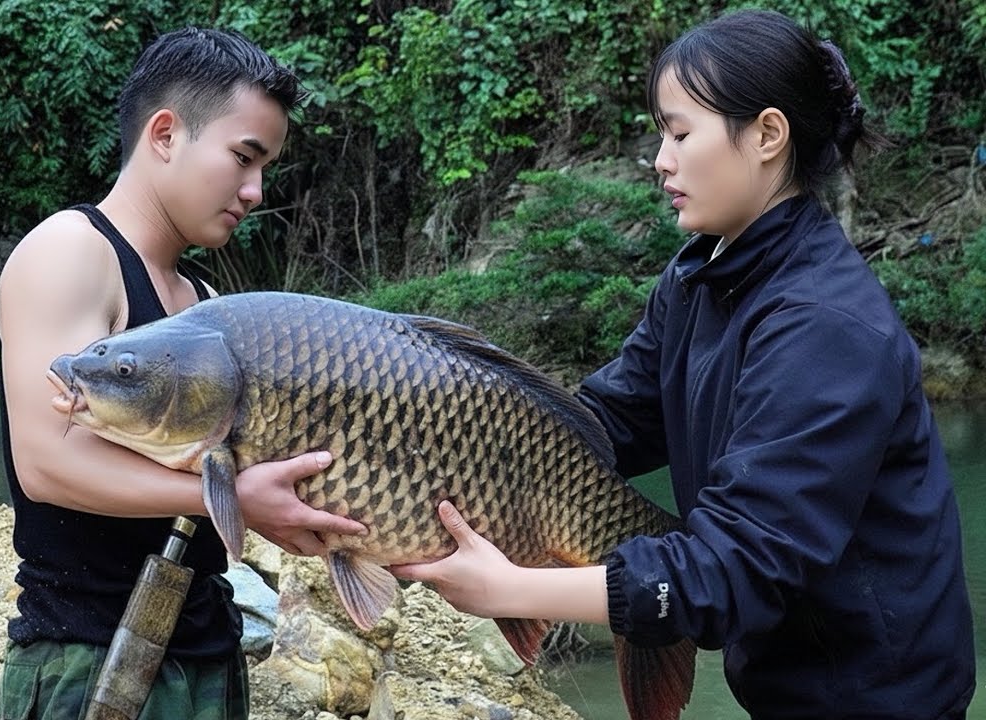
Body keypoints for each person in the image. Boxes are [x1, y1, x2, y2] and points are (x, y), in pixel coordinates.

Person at [391, 9, 976, 719]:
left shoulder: (828, 328)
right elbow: (605, 424)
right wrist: (419, 449)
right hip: (778, 683)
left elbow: (738, 569)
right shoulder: (703, 274)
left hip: (883, 701)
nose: (661, 160)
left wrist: (509, 588)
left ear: (766, 134)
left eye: (679, 133)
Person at [0, 27, 366, 720]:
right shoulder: (71, 251)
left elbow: (249, 478)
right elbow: (47, 463)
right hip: (86, 661)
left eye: (266, 169)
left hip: (207, 651)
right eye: (243, 157)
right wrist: (232, 500)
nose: (254, 191)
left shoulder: (210, 304)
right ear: (165, 133)